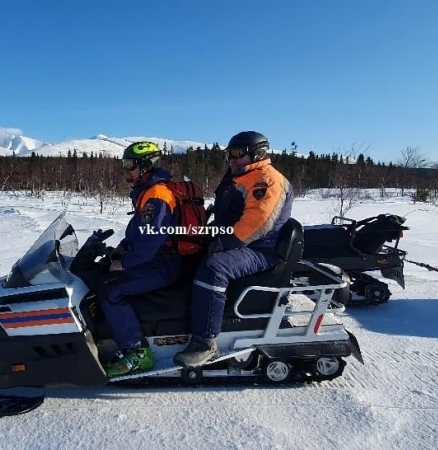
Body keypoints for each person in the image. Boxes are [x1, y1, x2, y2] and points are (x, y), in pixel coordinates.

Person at [173, 131, 294, 367]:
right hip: (236, 240)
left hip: (261, 249)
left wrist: (222, 244)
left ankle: (206, 343)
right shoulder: (241, 176)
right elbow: (225, 212)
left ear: (257, 154)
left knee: (214, 268)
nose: (232, 159)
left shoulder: (266, 179)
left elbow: (257, 223)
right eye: (229, 154)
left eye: (237, 154)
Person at [99, 141, 184, 377]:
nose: (125, 170)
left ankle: (137, 352)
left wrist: (123, 263)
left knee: (111, 291)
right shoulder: (148, 191)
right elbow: (138, 232)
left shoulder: (157, 195)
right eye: (123, 165)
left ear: (146, 166)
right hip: (158, 259)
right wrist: (121, 248)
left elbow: (151, 241)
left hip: (164, 263)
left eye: (129, 165)